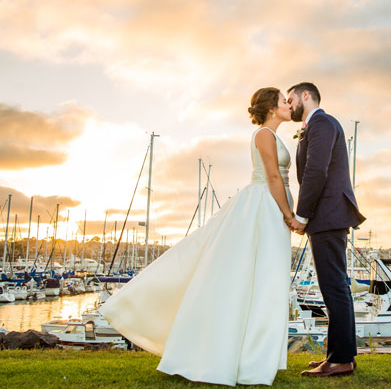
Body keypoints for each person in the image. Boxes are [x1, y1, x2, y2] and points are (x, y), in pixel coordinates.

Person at [99, 88, 294, 386]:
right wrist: (289, 215)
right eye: (283, 101)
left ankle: (253, 357)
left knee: (265, 278)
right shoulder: (264, 134)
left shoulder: (274, 134)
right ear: (270, 108)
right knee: (253, 275)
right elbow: (273, 176)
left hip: (270, 204)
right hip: (264, 205)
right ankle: (237, 357)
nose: (288, 105)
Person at [287, 82, 366, 378]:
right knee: (334, 287)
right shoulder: (320, 124)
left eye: (290, 98)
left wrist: (302, 216)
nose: (288, 103)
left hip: (328, 215)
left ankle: (340, 360)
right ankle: (341, 354)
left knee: (333, 287)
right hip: (330, 216)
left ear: (305, 95)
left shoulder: (322, 123)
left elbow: (315, 171)